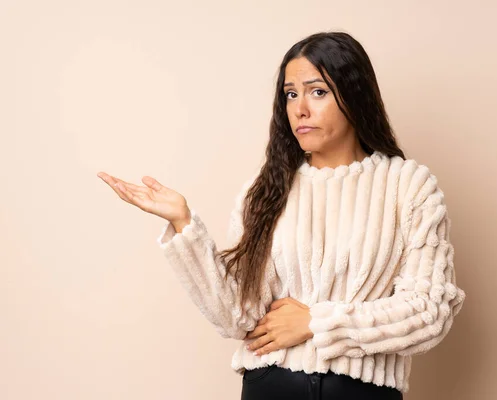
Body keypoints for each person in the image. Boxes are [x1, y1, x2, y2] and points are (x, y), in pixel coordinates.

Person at [97, 31, 466, 400]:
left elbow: (429, 311)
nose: (300, 109)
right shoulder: (265, 191)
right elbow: (238, 317)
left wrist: (315, 323)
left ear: (355, 97)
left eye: (317, 91)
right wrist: (183, 224)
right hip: (269, 387)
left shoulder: (409, 186)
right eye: (291, 94)